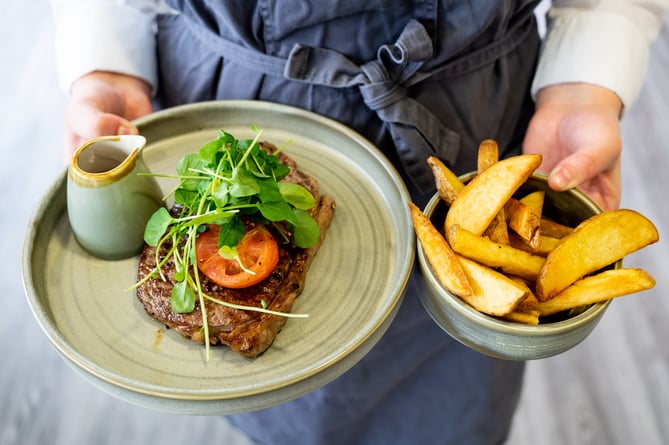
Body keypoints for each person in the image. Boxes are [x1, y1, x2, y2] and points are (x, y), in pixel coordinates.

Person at [51, 1, 668, 444]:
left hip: (468, 112)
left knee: (453, 402)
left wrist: (587, 81)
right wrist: (104, 66)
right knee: (285, 404)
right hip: (238, 99)